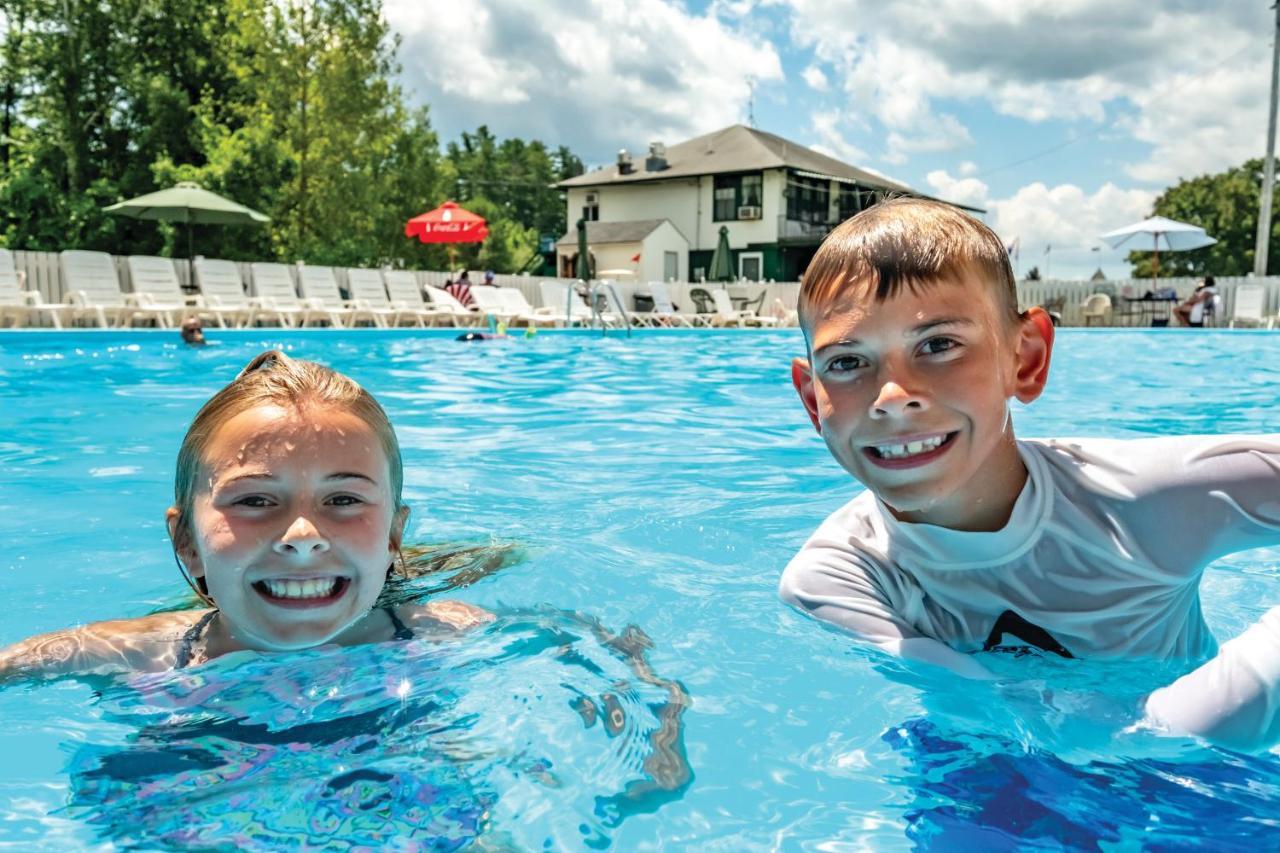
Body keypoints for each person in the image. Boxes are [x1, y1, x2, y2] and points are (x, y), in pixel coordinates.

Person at [779, 198, 1280, 750]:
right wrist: (1225, 708)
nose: (893, 398)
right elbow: (1008, 722)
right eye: (847, 363)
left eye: (939, 345)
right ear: (811, 399)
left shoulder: (1141, 499)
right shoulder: (837, 577)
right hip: (991, 778)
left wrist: (1254, 676)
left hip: (1208, 788)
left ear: (1025, 359)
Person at [0, 350, 490, 680]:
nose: (302, 536)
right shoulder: (128, 654)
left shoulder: (445, 634)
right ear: (187, 543)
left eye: (343, 500)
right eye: (254, 501)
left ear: (392, 537)